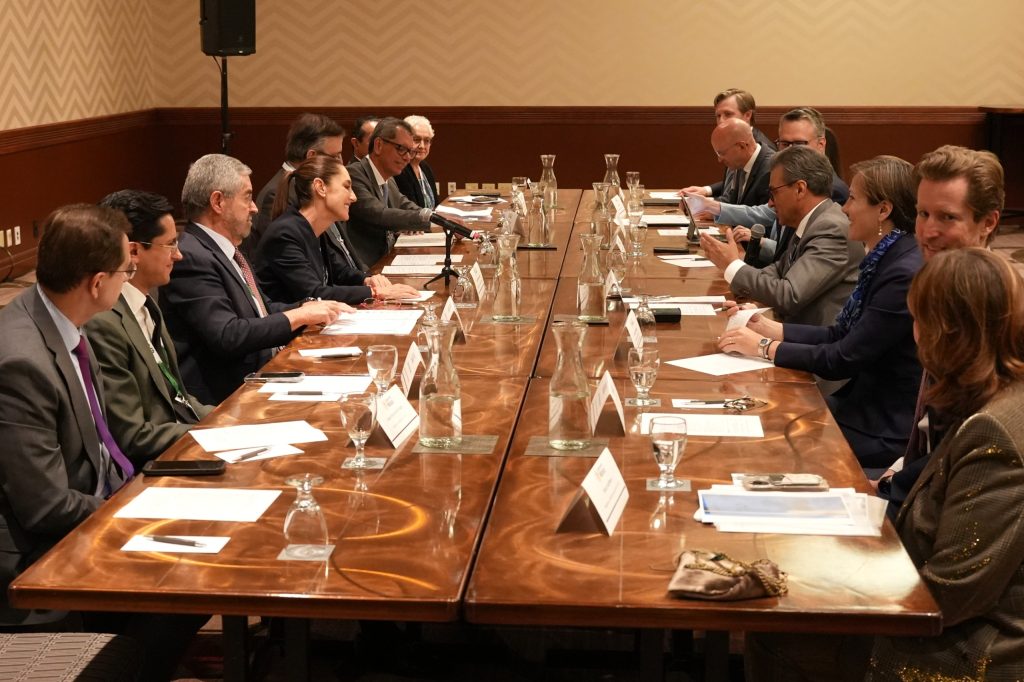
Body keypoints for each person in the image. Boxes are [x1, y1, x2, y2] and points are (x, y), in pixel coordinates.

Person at [866, 248, 1024, 680]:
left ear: (947, 333)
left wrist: (845, 589)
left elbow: (953, 592)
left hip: (973, 652)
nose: (913, 334)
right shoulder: (992, 395)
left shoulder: (994, 431)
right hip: (949, 614)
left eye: (919, 320)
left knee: (787, 636)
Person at [717, 156, 923, 468]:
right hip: (858, 405)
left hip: (880, 425)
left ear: (883, 210)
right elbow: (841, 332)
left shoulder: (901, 272)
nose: (844, 208)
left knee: (763, 432)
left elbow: (844, 357)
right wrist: (770, 329)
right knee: (754, 410)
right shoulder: (884, 257)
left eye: (852, 199)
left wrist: (763, 347)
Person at [0, 204, 134, 626]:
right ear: (97, 283)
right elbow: (45, 506)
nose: (128, 279)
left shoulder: (64, 318)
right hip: (37, 561)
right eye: (125, 271)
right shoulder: (22, 364)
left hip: (91, 506)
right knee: (184, 592)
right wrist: (129, 513)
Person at [160, 153, 347, 404]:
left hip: (263, 375)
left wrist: (311, 307)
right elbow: (227, 335)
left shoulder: (228, 250)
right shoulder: (191, 257)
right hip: (229, 398)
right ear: (218, 202)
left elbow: (262, 310)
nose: (255, 207)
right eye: (247, 197)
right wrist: (299, 315)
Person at [875, 145, 1004, 508]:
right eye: (923, 214)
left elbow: (968, 440)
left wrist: (892, 487)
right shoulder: (932, 284)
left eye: (947, 217)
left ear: (988, 223)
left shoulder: (996, 309)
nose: (928, 231)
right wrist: (895, 473)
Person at [85, 190, 213, 466]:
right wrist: (212, 432)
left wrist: (228, 419)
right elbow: (132, 436)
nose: (179, 255)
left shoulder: (147, 304)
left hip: (184, 440)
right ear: (134, 251)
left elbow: (179, 398)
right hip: (154, 466)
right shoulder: (103, 323)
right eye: (170, 244)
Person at [700, 145, 862, 327]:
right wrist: (750, 295)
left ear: (800, 189)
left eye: (774, 192)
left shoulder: (831, 228)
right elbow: (779, 271)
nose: (770, 203)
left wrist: (732, 266)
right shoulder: (814, 219)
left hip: (814, 338)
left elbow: (790, 295)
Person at [256, 156, 420, 304]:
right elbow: (313, 293)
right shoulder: (284, 234)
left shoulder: (314, 228)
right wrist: (374, 293)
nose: (353, 197)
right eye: (347, 187)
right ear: (320, 187)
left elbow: (340, 272)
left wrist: (367, 280)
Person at [698, 107, 849, 264]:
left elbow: (797, 262)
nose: (790, 151)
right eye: (784, 143)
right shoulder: (791, 179)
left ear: (821, 144)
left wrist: (736, 265)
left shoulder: (832, 191)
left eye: (799, 143)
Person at [345, 117, 456, 268]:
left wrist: (440, 219)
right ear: (378, 145)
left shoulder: (388, 177)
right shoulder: (354, 174)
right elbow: (380, 214)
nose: (407, 158)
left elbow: (404, 204)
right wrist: (431, 222)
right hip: (366, 268)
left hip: (388, 259)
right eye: (401, 149)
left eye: (410, 151)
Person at [245, 113, 354, 265]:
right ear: (312, 156)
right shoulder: (276, 194)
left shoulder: (324, 187)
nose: (341, 163)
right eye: (335, 156)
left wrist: (365, 275)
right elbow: (287, 259)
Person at [680, 118, 774, 207]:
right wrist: (699, 205)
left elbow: (763, 216)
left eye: (722, 153)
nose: (719, 160)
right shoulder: (741, 161)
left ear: (741, 146)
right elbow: (732, 202)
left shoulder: (771, 170)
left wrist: (712, 208)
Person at [394, 115, 439, 209]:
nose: (422, 146)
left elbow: (435, 204)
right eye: (416, 140)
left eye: (427, 141)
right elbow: (409, 210)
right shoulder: (400, 169)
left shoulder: (425, 167)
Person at [711, 88, 776, 152]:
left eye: (728, 114)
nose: (721, 121)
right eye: (718, 116)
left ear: (747, 115)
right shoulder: (728, 141)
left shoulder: (763, 150)